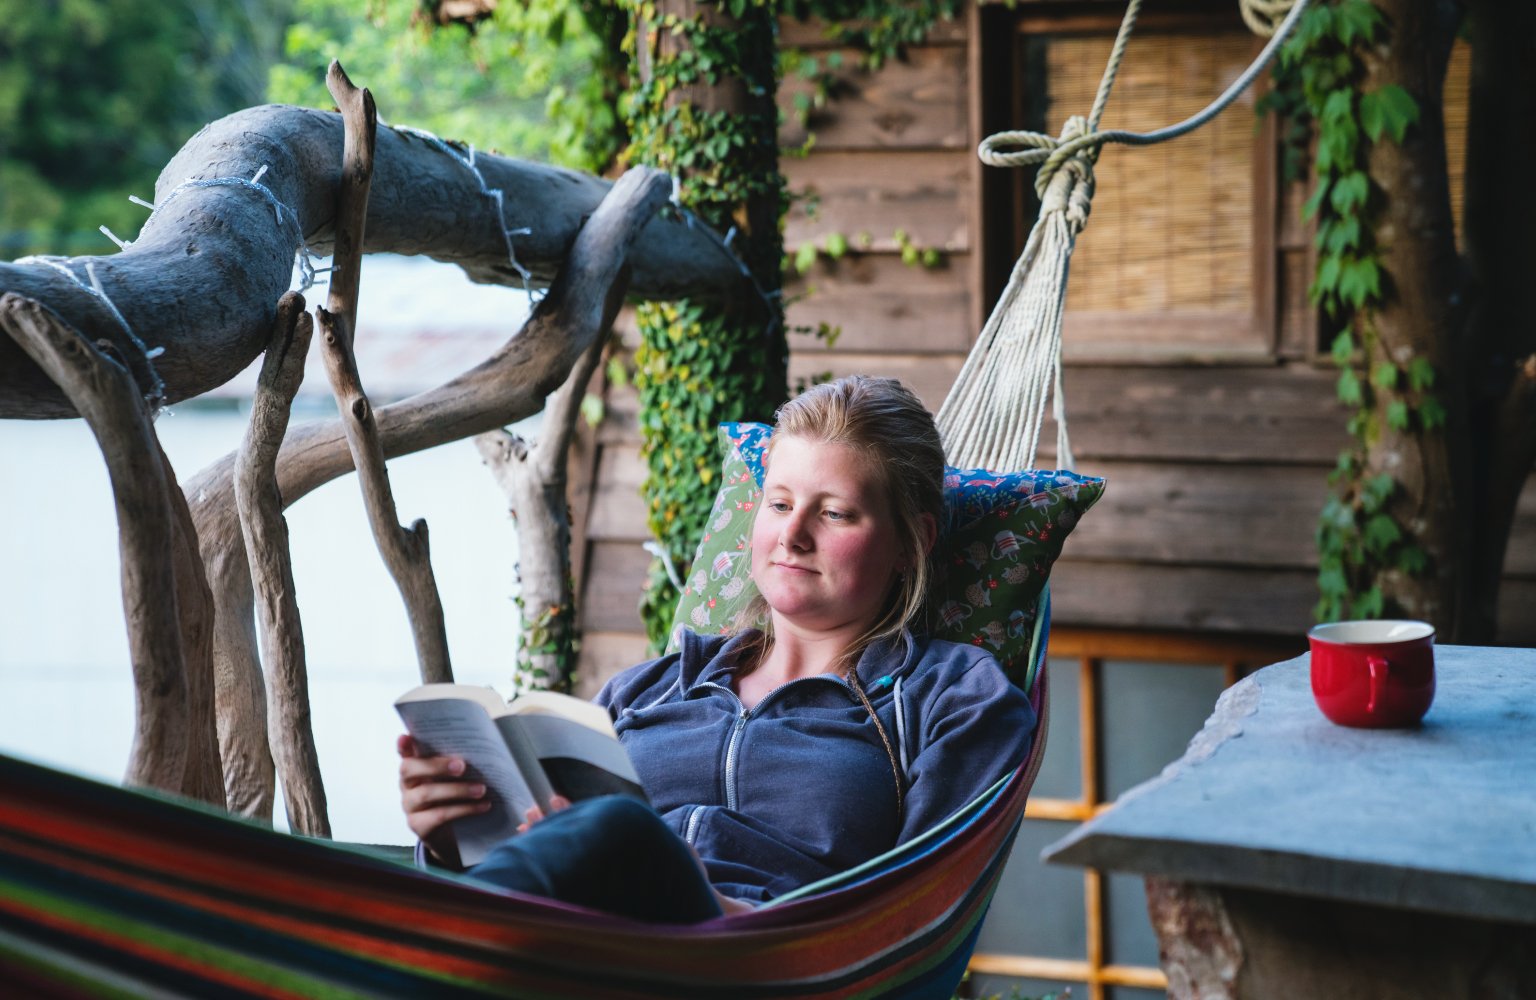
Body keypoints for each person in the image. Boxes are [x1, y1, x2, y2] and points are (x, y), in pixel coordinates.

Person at [397, 375, 1037, 923]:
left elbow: (922, 908)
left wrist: (710, 906)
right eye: (779, 503)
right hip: (576, 949)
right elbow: (540, 845)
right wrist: (455, 831)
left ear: (911, 542)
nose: (792, 534)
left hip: (760, 965)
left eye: (834, 513)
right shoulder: (648, 690)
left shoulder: (951, 697)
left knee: (622, 830)